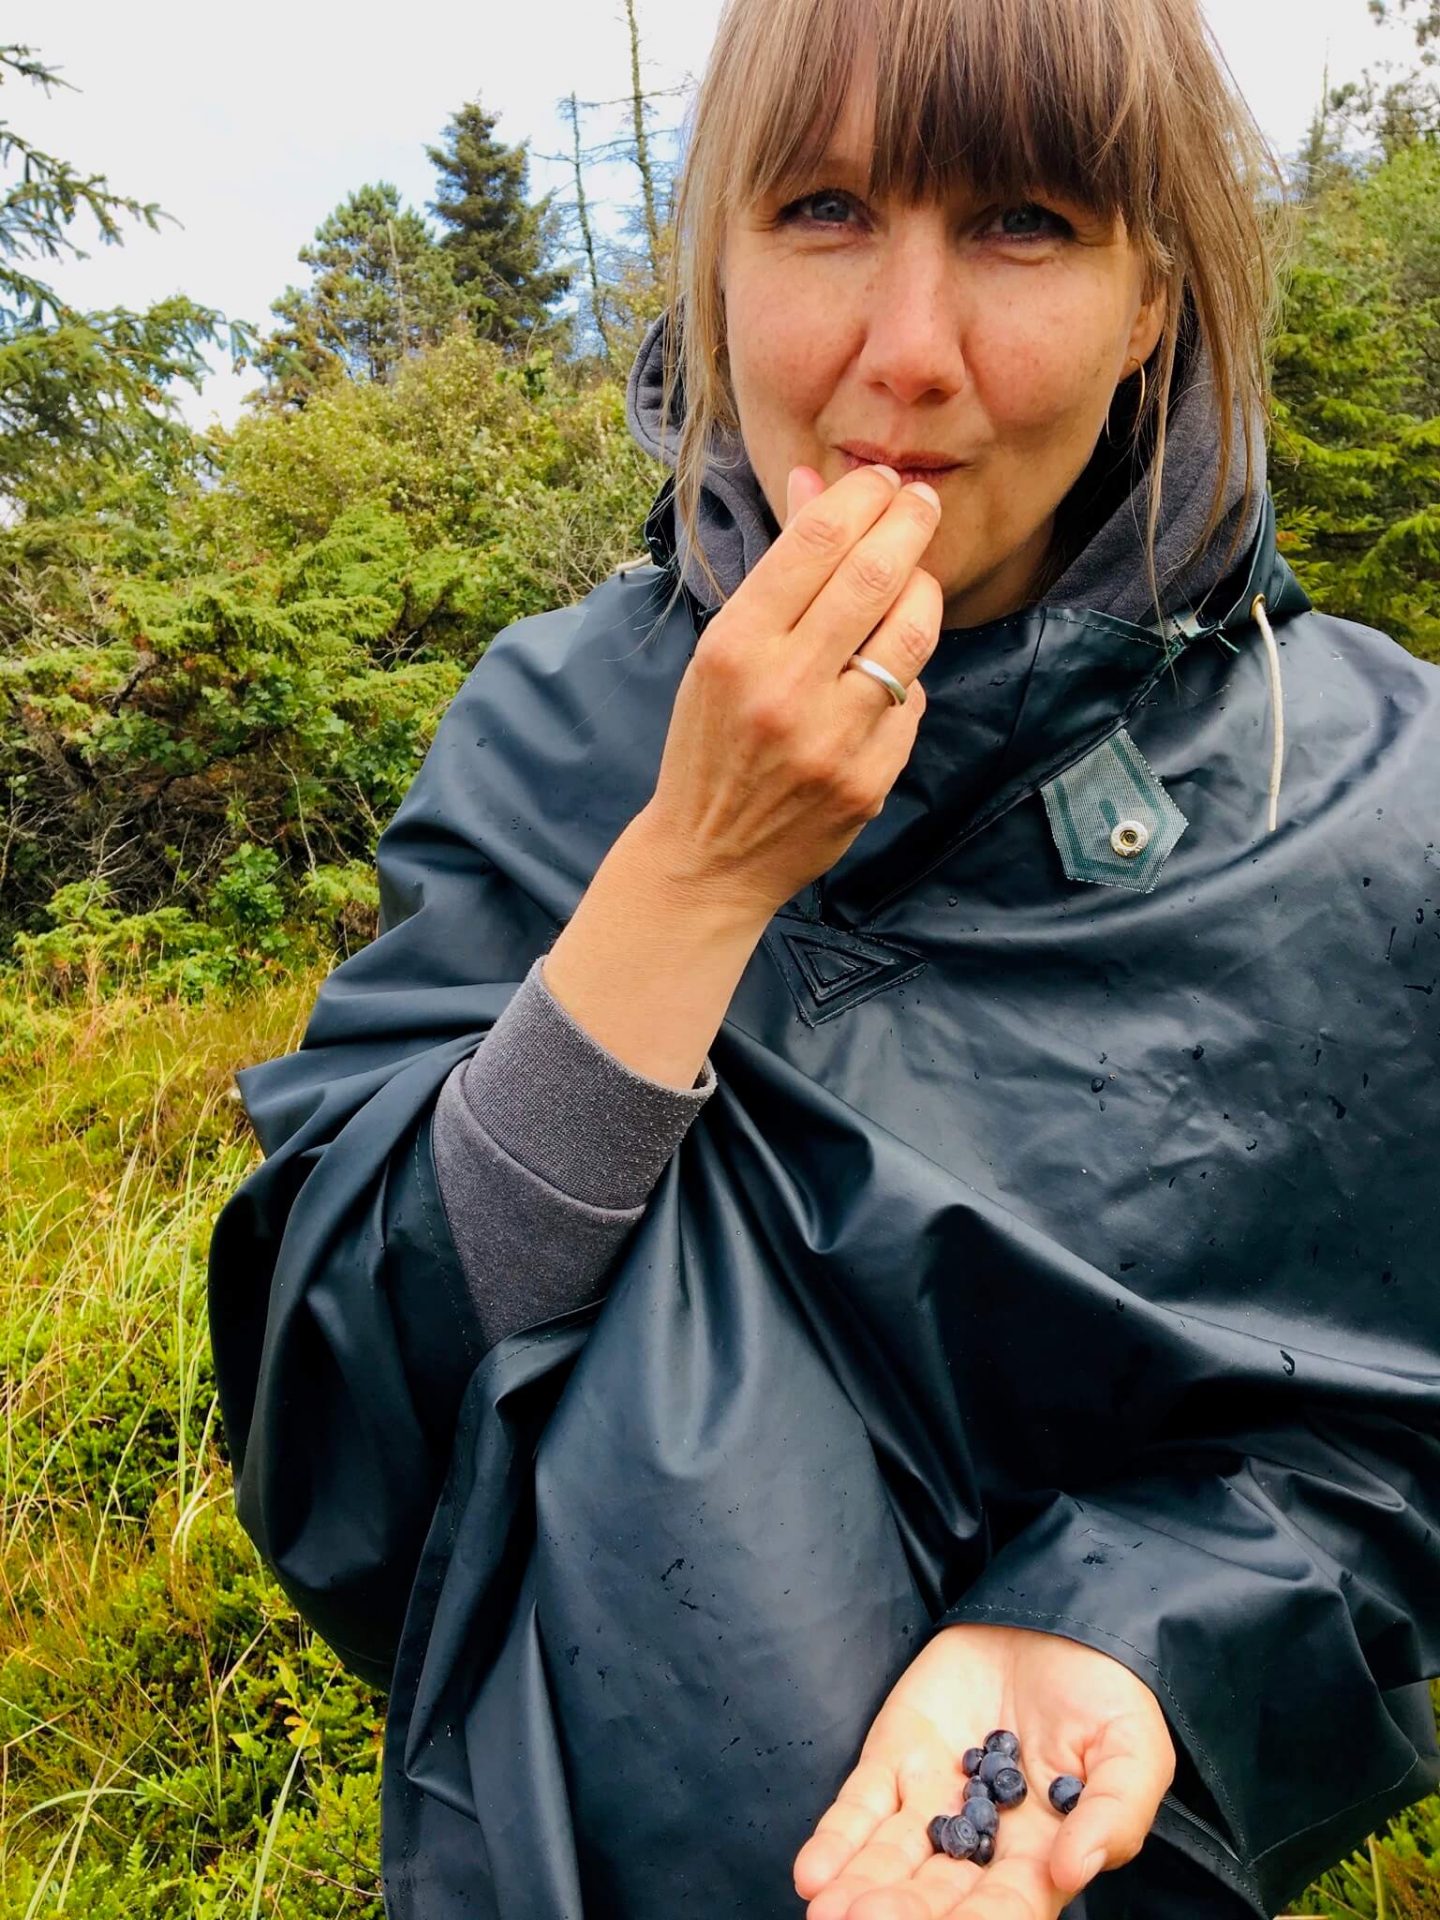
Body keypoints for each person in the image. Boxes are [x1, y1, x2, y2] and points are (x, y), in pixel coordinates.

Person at [206, 0, 1440, 1914]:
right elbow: (354, 1417)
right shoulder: (548, 729)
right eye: (824, 208)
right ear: (713, 260)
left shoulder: (1368, 789)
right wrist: (690, 876)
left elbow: (1388, 1459)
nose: (905, 354)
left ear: (1151, 302)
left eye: (1025, 221)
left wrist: (1135, 1626)